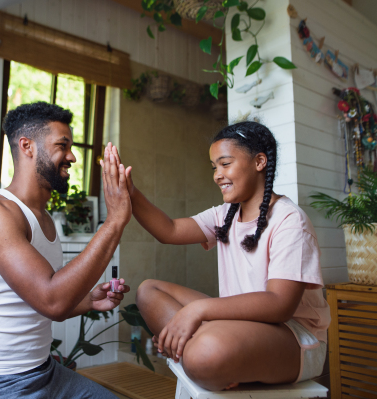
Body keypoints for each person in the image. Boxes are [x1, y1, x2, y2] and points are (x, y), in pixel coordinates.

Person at [116, 121, 330, 391]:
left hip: (295, 338)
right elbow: (168, 230)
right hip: (239, 325)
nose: (217, 175)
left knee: (204, 352)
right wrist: (130, 192)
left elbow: (279, 305)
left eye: (225, 164)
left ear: (259, 162)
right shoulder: (224, 215)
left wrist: (197, 311)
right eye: (214, 167)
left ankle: (203, 351)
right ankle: (202, 350)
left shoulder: (290, 221)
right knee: (149, 290)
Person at [0, 102, 131, 399]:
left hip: (45, 373)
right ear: (27, 146)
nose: (72, 156)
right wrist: (115, 220)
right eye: (63, 145)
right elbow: (52, 301)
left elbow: (40, 303)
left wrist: (88, 301)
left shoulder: (44, 218)